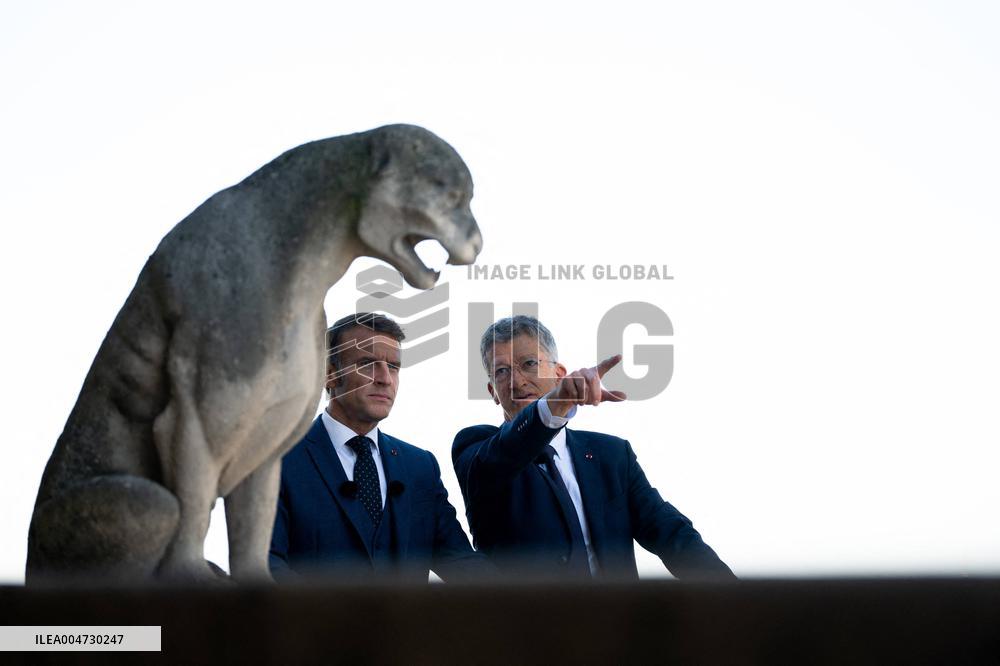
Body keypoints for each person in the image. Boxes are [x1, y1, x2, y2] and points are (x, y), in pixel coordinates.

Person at [452, 315, 736, 581]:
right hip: (528, 629)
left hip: (619, 625)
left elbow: (672, 535)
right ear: (492, 392)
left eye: (529, 364)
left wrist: (732, 599)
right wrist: (553, 405)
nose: (516, 381)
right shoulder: (475, 447)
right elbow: (508, 451)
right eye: (501, 371)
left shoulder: (612, 456)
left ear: (560, 374)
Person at [270, 312, 489, 581]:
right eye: (367, 363)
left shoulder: (420, 466)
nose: (385, 378)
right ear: (329, 375)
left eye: (394, 367)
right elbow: (266, 566)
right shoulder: (278, 459)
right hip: (314, 623)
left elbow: (462, 562)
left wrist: (533, 608)